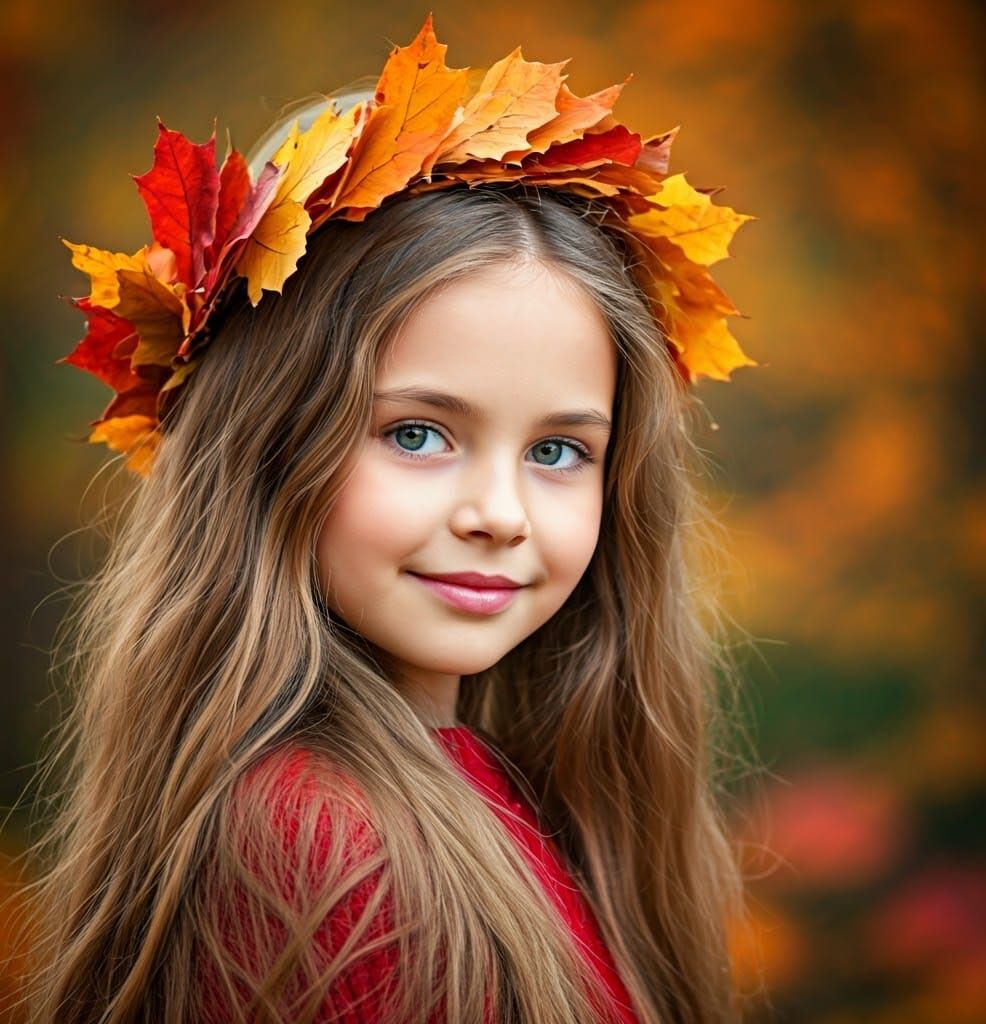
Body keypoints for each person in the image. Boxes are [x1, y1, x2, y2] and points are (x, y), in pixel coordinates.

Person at [25, 13, 754, 1023]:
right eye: (417, 434)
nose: (498, 514)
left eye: (556, 450)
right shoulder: (321, 848)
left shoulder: (520, 803)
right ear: (268, 444)